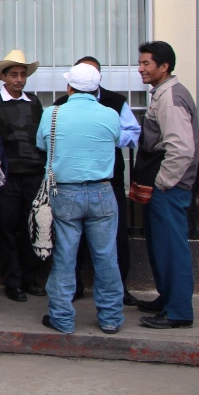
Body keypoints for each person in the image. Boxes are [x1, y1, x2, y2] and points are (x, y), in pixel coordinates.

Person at [37, 63, 124, 335]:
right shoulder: (110, 114)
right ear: (96, 88)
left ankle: (62, 318)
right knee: (106, 256)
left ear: (69, 87)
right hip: (102, 191)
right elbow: (118, 141)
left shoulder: (52, 114)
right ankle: (110, 317)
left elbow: (42, 145)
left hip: (65, 192)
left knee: (64, 257)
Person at [52, 56, 141, 305]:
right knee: (71, 246)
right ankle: (77, 290)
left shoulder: (115, 103)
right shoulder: (60, 106)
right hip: (70, 182)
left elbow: (132, 133)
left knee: (114, 242)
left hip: (106, 181)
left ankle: (118, 292)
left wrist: (104, 137)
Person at [134, 41, 199, 329]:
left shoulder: (171, 97)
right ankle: (168, 300)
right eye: (141, 63)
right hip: (166, 188)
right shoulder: (163, 94)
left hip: (169, 189)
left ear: (164, 67)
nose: (141, 68)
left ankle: (179, 312)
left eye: (147, 63)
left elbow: (182, 149)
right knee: (161, 246)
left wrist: (162, 183)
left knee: (172, 248)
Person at [0, 49, 47, 302]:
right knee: (7, 230)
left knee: (31, 228)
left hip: (33, 175)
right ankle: (13, 281)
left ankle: (30, 279)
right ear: (4, 77)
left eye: (22, 75)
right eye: (14, 75)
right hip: (7, 178)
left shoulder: (35, 103)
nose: (19, 79)